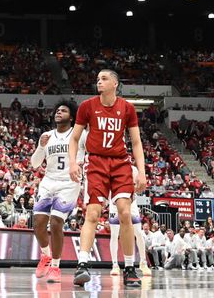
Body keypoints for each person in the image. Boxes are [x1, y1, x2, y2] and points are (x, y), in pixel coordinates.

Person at [69, 69, 146, 287]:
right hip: (96, 162)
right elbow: (74, 139)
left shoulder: (128, 108)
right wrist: (73, 162)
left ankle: (130, 268)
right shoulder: (87, 106)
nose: (99, 82)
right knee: (92, 212)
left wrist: (141, 171)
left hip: (121, 163)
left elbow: (137, 142)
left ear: (115, 83)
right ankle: (82, 264)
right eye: (97, 79)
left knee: (124, 212)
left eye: (104, 79)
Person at [30, 101, 87, 282]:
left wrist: (82, 165)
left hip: (69, 182)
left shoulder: (80, 134)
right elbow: (35, 164)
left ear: (71, 117)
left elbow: (91, 153)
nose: (59, 112)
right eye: (57, 110)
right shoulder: (47, 135)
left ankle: (55, 266)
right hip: (48, 180)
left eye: (63, 110)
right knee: (38, 222)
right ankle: (45, 255)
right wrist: (40, 146)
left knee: (55, 223)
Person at [109, 165, 150, 276]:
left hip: (130, 202)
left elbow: (137, 187)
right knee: (114, 234)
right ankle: (115, 265)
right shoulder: (110, 167)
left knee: (138, 233)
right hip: (114, 203)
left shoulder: (133, 169)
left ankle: (143, 262)